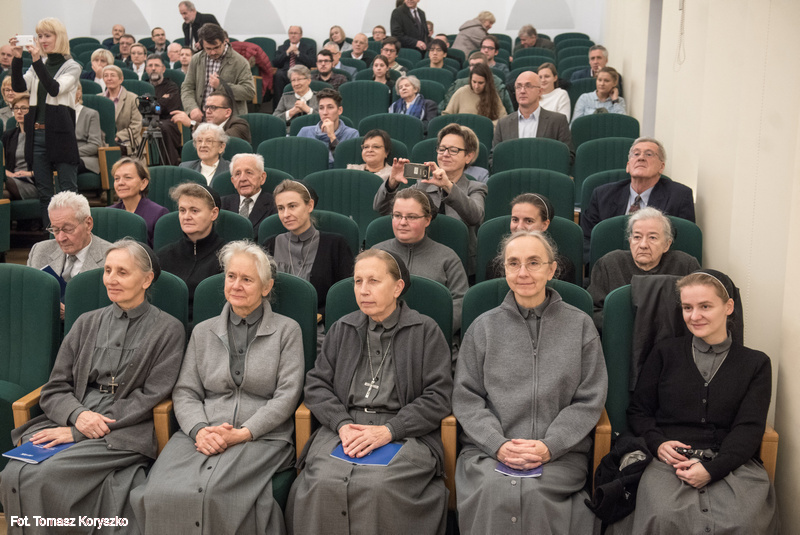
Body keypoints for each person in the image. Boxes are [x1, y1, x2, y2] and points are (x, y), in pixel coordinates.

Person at [1, 238, 185, 533]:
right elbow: (56, 386)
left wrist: (78, 432)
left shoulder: (168, 330)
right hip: (75, 413)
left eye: (122, 272)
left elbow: (151, 397)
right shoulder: (86, 323)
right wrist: (77, 416)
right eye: (108, 270)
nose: (111, 279)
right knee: (14, 473)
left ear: (146, 279)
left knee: (43, 476)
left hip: (126, 428)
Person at [130, 240, 303, 534]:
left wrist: (243, 433)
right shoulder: (202, 331)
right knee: (157, 492)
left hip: (262, 437)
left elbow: (287, 395)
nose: (236, 285)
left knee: (215, 495)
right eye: (231, 276)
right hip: (203, 431)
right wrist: (199, 430)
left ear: (266, 287)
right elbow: (186, 391)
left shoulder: (287, 331)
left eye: (247, 279)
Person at [285, 249, 452, 534]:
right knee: (323, 481)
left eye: (373, 281)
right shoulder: (342, 328)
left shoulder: (425, 330)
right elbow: (316, 384)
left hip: (405, 434)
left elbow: (438, 396)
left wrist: (390, 430)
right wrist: (341, 424)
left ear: (397, 287)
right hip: (345, 429)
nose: (363, 290)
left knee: (379, 485)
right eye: (358, 281)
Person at [453, 230, 606, 534]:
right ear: (504, 269)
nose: (522, 272)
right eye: (514, 263)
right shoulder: (483, 327)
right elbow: (467, 398)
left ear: (552, 269)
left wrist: (550, 446)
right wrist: (498, 444)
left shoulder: (580, 325)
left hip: (560, 454)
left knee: (534, 495)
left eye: (534, 263)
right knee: (496, 490)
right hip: (488, 452)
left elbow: (589, 399)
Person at [623, 270, 778, 533]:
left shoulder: (756, 363)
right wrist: (658, 443)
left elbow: (749, 428)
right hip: (669, 463)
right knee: (664, 516)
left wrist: (713, 469)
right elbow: (639, 411)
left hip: (732, 462)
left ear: (728, 307)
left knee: (743, 522)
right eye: (687, 307)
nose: (694, 316)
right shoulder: (664, 353)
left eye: (705, 306)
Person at [374, 123, 487, 274]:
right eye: (442, 148)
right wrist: (392, 183)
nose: (445, 154)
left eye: (453, 150)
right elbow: (380, 208)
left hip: (460, 264)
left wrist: (448, 186)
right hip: (420, 260)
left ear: (469, 156)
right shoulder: (423, 185)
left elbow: (475, 216)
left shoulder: (475, 187)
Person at [9, 18, 81, 227]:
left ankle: (73, 236)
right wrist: (17, 58)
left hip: (61, 133)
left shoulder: (72, 66)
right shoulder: (38, 65)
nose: (42, 40)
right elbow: (19, 86)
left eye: (47, 36)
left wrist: (36, 61)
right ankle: (50, 236)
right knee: (44, 194)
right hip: (37, 134)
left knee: (68, 193)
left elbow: (54, 88)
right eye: (40, 36)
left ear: (59, 37)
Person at [374, 188, 468, 336]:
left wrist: (431, 330)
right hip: (381, 335)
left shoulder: (448, 257)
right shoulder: (375, 254)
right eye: (397, 215)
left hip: (431, 336)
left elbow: (461, 302)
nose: (402, 222)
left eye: (411, 217)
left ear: (427, 220)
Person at [588, 207, 700, 331]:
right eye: (637, 237)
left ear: (667, 245)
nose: (643, 245)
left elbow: (699, 308)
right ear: (630, 241)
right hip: (622, 335)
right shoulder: (609, 264)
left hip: (672, 337)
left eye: (652, 238)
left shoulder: (685, 265)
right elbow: (592, 311)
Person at [581, 137, 696, 257]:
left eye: (649, 154)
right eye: (636, 154)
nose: (641, 158)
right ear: (628, 166)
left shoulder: (679, 196)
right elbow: (586, 239)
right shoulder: (602, 195)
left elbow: (683, 244)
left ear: (661, 167)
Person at [262, 179, 354, 328]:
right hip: (276, 327)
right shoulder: (270, 245)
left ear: (309, 205)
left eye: (292, 206)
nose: (286, 214)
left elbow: (344, 295)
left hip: (321, 328)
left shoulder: (336, 244)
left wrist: (320, 316)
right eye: (280, 208)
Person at [157, 183, 225, 317]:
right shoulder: (163, 256)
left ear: (214, 213)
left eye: (194, 211)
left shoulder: (227, 257)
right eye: (182, 210)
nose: (186, 216)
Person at [486, 193, 576, 283]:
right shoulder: (496, 265)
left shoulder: (563, 267)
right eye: (515, 220)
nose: (519, 227)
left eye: (529, 221)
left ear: (544, 225)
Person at [492, 71, 575, 164]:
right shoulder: (503, 124)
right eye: (518, 87)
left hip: (546, 172)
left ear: (540, 91)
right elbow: (494, 157)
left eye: (528, 86)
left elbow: (568, 156)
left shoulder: (558, 121)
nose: (522, 91)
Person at [27, 192, 112, 282]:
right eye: (55, 230)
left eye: (68, 229)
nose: (61, 238)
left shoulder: (111, 258)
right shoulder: (39, 251)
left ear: (88, 224)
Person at [181, 23, 255, 122]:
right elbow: (187, 87)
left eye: (216, 47)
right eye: (208, 48)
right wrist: (192, 108)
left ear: (224, 41)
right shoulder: (196, 59)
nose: (213, 52)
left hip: (230, 122)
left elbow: (249, 92)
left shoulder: (240, 62)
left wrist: (221, 86)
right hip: (202, 119)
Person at [109, 157, 169, 247]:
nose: (120, 183)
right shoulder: (110, 213)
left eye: (128, 178)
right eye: (116, 178)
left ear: (143, 183)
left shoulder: (159, 214)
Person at [297, 88, 359, 168]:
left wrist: (332, 136)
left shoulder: (352, 134)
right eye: (321, 108)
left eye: (330, 107)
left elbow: (347, 164)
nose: (325, 112)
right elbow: (298, 162)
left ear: (339, 110)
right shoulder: (305, 132)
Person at [439, 52, 514, 115]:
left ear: (487, 66)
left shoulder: (497, 84)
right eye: (471, 65)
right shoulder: (459, 84)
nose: (474, 68)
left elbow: (508, 112)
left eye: (478, 65)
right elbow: (445, 107)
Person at [220, 153, 277, 233]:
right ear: (233, 181)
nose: (242, 179)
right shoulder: (221, 204)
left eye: (249, 172)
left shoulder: (275, 204)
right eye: (238, 174)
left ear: (262, 177)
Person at [144, 54, 183, 165]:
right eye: (150, 65)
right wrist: (160, 102)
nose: (153, 68)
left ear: (163, 69)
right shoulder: (144, 86)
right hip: (145, 120)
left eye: (157, 65)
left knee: (163, 128)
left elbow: (168, 107)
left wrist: (153, 105)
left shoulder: (171, 86)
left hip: (167, 121)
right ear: (146, 69)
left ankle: (168, 165)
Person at [172, 90, 251, 143]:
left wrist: (191, 123)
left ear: (227, 112)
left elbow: (220, 138)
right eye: (206, 107)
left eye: (213, 107)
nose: (207, 111)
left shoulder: (239, 125)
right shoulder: (208, 125)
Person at [2, 94, 37, 200]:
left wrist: (29, 173)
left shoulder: (39, 136)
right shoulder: (8, 136)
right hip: (11, 179)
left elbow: (50, 167)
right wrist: (8, 174)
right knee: (3, 195)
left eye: (24, 108)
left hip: (31, 183)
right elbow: (2, 164)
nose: (19, 112)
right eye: (16, 108)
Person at [272, 26, 316, 107]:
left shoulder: (309, 47)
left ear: (301, 35)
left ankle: (306, 106)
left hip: (301, 72)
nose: (293, 35)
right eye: (291, 33)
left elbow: (312, 63)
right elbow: (275, 63)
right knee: (278, 75)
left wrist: (298, 53)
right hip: (285, 73)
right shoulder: (282, 48)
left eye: (295, 33)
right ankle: (278, 107)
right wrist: (287, 52)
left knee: (304, 77)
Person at [102, 65, 142, 150]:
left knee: (111, 150)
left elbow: (136, 125)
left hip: (126, 141)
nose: (109, 78)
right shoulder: (99, 98)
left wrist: (117, 137)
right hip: (102, 141)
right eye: (106, 76)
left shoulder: (133, 98)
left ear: (121, 79)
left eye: (112, 75)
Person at [272, 64, 318, 129]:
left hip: (313, 132)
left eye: (299, 79)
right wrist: (291, 112)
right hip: (289, 133)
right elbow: (274, 119)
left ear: (308, 81)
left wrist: (309, 110)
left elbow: (325, 118)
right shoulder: (286, 97)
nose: (296, 84)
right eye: (293, 80)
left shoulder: (319, 97)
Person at [73, 85, 104, 175]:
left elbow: (95, 145)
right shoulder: (57, 114)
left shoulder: (91, 114)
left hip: (85, 157)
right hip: (61, 157)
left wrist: (71, 153)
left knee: (67, 164)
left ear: (78, 94)